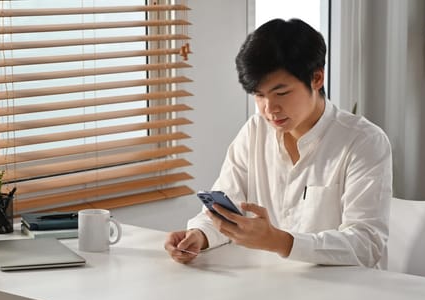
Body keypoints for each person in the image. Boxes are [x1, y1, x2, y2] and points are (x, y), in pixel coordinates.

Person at [164, 18, 393, 268]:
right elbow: (228, 208)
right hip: (273, 287)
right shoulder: (254, 131)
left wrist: (280, 242)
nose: (270, 109)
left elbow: (366, 244)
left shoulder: (364, 142)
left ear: (317, 79)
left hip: (346, 294)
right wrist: (199, 235)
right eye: (259, 96)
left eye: (281, 93)